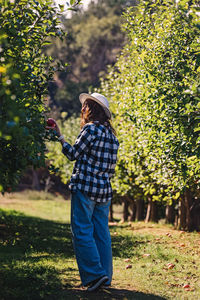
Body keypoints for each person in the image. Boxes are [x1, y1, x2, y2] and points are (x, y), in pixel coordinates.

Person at [47, 92, 119, 292]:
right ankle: (105, 275)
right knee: (102, 233)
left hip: (86, 188)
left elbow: (73, 154)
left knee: (82, 231)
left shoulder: (90, 130)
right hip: (103, 191)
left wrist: (60, 136)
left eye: (85, 106)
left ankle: (94, 275)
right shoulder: (113, 137)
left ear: (92, 109)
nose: (82, 109)